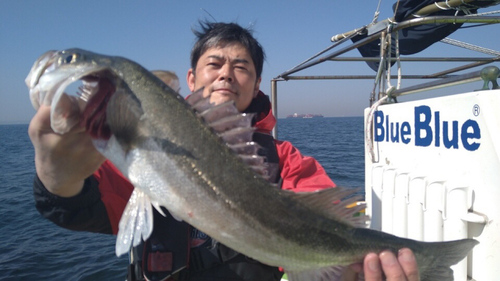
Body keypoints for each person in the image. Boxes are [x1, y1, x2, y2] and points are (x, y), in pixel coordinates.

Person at [28, 21, 419, 281]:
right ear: (191, 78)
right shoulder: (140, 148)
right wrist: (55, 174)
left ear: (257, 82)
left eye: (241, 66)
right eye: (214, 63)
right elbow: (82, 201)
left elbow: (323, 221)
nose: (227, 73)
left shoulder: (288, 162)